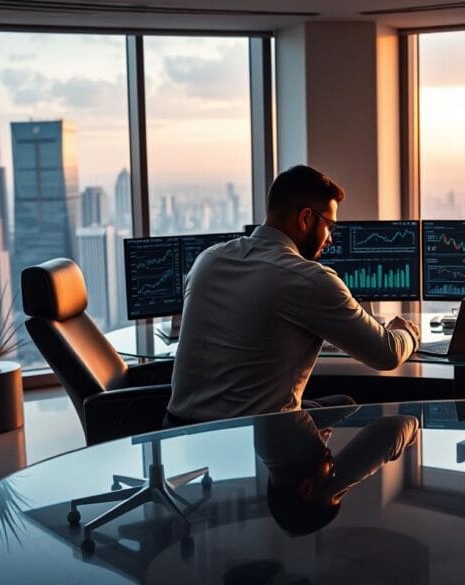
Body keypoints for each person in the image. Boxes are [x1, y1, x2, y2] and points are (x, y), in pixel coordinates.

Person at [166, 165, 420, 425]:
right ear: (305, 219)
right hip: (253, 440)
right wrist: (407, 333)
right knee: (401, 424)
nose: (330, 239)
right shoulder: (309, 279)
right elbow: (387, 354)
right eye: (329, 225)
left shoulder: (208, 259)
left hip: (179, 432)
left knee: (342, 405)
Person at [254, 408, 420, 536]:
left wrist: (338, 482)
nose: (334, 467)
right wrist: (318, 457)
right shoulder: (273, 442)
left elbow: (393, 429)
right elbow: (345, 402)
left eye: (336, 489)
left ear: (307, 488)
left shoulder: (281, 432)